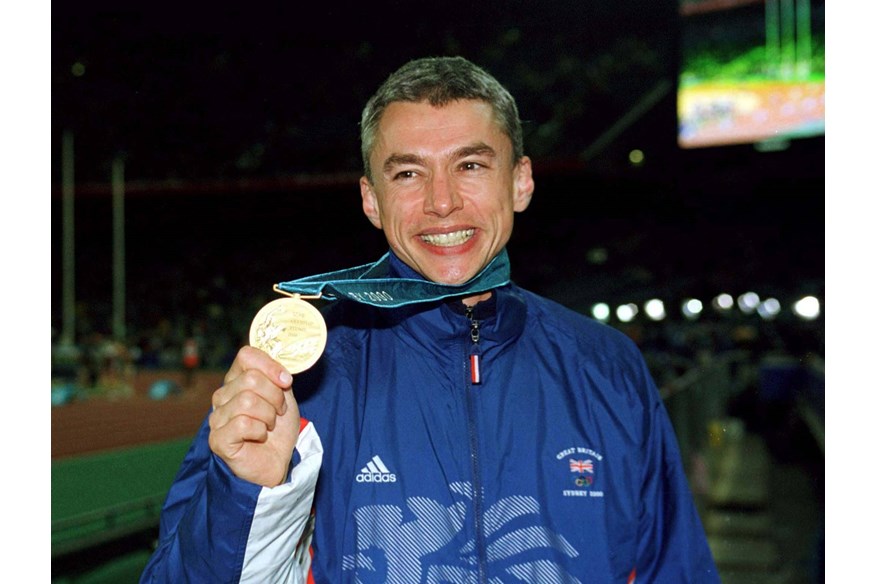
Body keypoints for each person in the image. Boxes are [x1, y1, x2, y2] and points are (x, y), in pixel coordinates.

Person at [141, 56, 719, 583]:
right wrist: (246, 492)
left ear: (520, 181)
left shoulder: (608, 367)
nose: (442, 202)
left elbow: (675, 568)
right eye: (409, 173)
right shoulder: (302, 376)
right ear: (372, 200)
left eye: (469, 164)